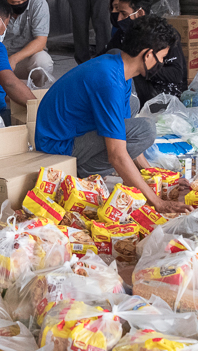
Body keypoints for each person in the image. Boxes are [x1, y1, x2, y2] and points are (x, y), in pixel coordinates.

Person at [35, 16, 189, 214]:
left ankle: (94, 169)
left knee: (133, 106)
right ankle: (83, 172)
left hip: (73, 132)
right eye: (161, 58)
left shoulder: (119, 68)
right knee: (145, 129)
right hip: (57, 146)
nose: (161, 64)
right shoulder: (108, 79)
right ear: (148, 54)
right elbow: (117, 153)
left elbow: (125, 137)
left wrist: (158, 178)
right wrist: (156, 202)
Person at [107, 0, 186, 102]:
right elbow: (106, 54)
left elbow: (176, 75)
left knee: (130, 70)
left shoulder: (163, 35)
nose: (119, 18)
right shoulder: (123, 34)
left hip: (161, 96)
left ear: (139, 13)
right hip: (139, 90)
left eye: (123, 14)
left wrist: (145, 68)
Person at [0, 0, 52, 87]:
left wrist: (14, 59)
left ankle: (37, 92)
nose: (21, 4)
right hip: (0, 60)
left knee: (43, 61)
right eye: (16, 3)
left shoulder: (38, 4)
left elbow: (40, 42)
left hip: (26, 58)